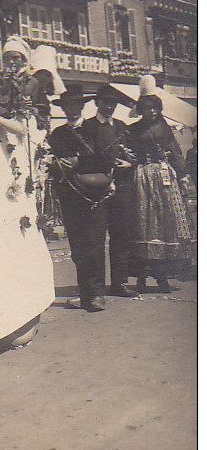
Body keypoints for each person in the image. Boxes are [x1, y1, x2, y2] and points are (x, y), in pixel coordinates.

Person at [49, 85, 134, 312]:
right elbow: (54, 160)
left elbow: (106, 160)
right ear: (64, 108)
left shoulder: (94, 128)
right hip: (70, 195)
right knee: (77, 246)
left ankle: (96, 295)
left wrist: (78, 161)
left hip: (94, 194)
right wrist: (56, 165)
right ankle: (85, 292)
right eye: (67, 106)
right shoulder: (57, 134)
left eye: (76, 104)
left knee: (94, 243)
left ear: (82, 106)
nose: (72, 109)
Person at [126, 76, 194, 293]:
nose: (152, 112)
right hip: (143, 177)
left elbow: (174, 151)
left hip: (164, 178)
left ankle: (163, 274)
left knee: (166, 224)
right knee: (143, 223)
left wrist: (182, 175)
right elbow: (128, 153)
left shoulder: (165, 127)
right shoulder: (133, 130)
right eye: (147, 108)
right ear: (141, 109)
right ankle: (141, 275)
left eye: (155, 108)